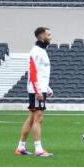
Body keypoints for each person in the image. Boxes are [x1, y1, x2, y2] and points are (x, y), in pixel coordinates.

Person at [16, 26, 54, 157]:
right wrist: (38, 91)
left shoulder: (42, 51)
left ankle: (20, 147)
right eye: (48, 35)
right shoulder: (36, 51)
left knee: (32, 118)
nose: (50, 37)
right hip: (36, 89)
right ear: (42, 36)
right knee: (38, 118)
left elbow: (41, 73)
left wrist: (47, 89)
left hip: (39, 88)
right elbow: (32, 72)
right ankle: (38, 150)